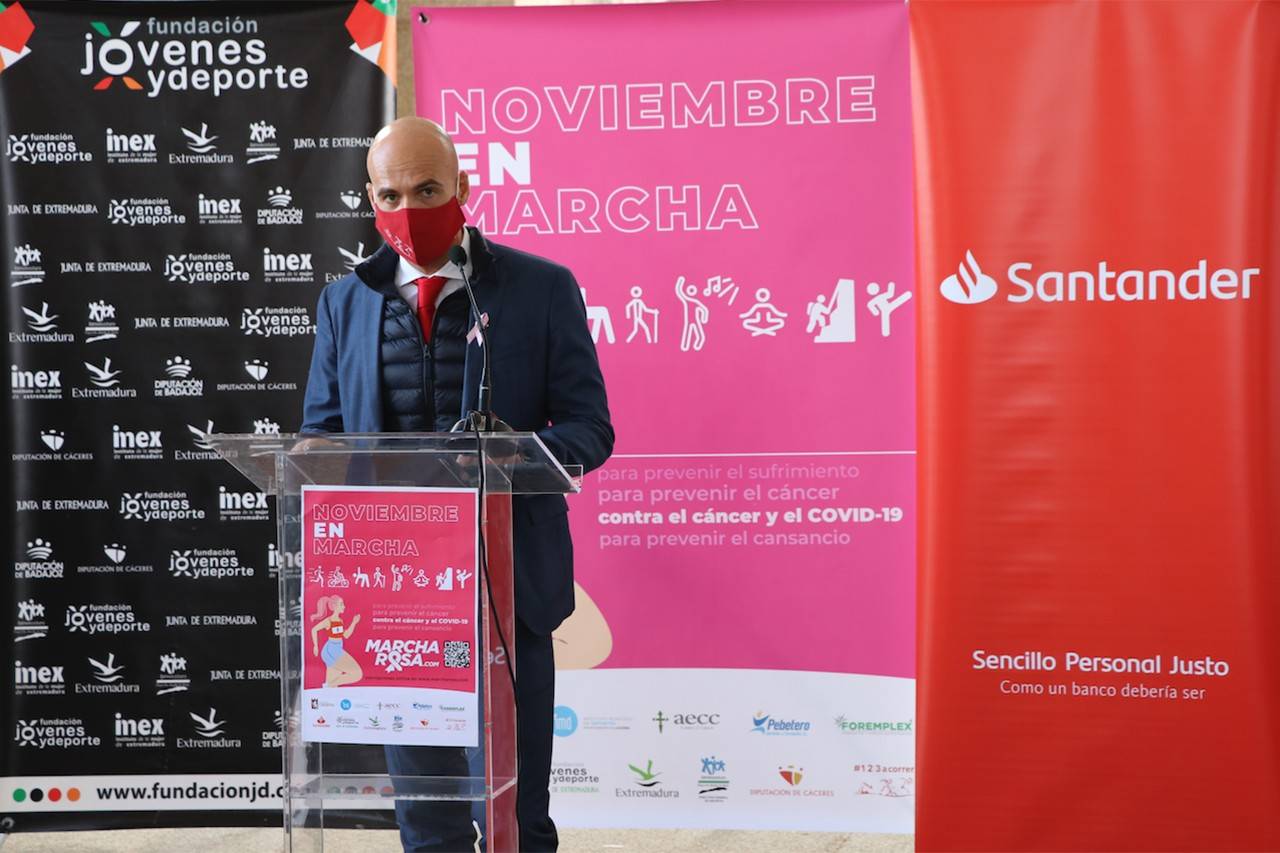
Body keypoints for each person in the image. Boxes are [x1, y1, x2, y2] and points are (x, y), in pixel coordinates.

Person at [301, 117, 614, 852]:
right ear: (371, 198)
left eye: (427, 190)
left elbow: (589, 430)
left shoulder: (540, 289)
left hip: (507, 584)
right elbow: (320, 437)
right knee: (427, 822)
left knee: (516, 818)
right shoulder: (345, 303)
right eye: (391, 195)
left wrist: (510, 456)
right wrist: (320, 459)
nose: (408, 209)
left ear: (462, 188)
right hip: (394, 593)